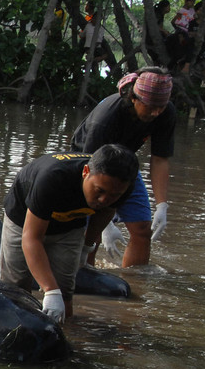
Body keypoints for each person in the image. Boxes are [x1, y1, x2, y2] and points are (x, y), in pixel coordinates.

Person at [0, 145, 139, 323]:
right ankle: (12, 328)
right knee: (16, 287)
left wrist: (86, 246)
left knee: (64, 291)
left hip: (70, 225)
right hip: (23, 220)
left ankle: (65, 336)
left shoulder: (123, 185)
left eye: (114, 195)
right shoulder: (52, 177)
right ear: (86, 171)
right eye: (99, 191)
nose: (104, 199)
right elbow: (32, 238)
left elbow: (105, 212)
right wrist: (50, 290)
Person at [69, 67, 176, 267]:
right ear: (134, 98)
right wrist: (105, 223)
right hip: (88, 165)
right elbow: (91, 167)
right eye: (151, 107)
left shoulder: (165, 112)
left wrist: (162, 204)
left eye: (160, 107)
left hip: (125, 164)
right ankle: (85, 276)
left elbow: (160, 158)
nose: (156, 112)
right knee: (91, 232)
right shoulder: (107, 117)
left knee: (143, 229)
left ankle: (134, 285)